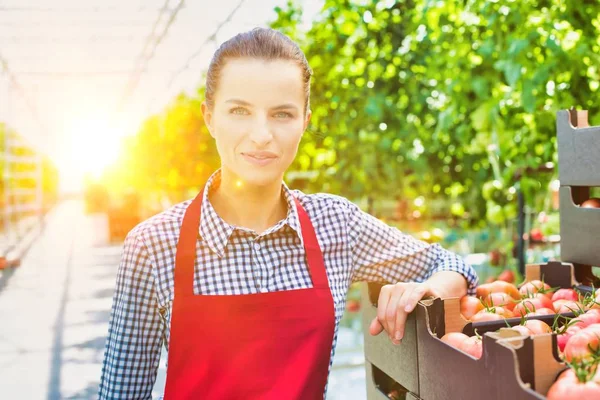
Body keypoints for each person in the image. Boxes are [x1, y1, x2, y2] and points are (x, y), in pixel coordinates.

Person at [98, 27, 478, 400]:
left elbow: (452, 264)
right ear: (210, 117)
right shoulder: (153, 245)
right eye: (240, 111)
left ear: (304, 122)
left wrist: (429, 289)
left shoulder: (336, 225)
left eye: (281, 114)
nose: (261, 134)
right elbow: (120, 394)